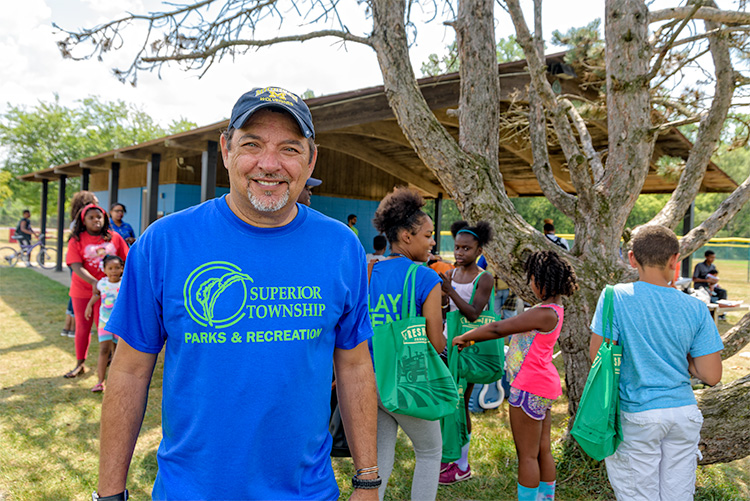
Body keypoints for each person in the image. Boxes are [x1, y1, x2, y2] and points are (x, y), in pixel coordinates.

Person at [96, 86, 379, 500]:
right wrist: (109, 494)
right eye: (252, 144)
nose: (270, 164)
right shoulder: (164, 243)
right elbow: (129, 371)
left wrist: (367, 480)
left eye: (289, 148)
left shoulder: (341, 246)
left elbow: (354, 365)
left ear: (311, 159)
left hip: (307, 491)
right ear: (227, 150)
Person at [590, 225, 723, 501]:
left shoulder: (614, 296)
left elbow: (598, 358)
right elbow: (712, 376)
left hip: (637, 414)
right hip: (683, 413)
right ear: (675, 260)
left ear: (631, 258)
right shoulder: (696, 307)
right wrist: (683, 359)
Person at [453, 250, 578, 501]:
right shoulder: (553, 309)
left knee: (528, 455)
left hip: (528, 386)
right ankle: (545, 498)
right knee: (542, 450)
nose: (530, 282)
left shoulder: (543, 312)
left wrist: (466, 337)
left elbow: (500, 327)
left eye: (532, 277)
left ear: (542, 281)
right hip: (541, 385)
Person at [368, 187, 445, 501]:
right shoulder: (426, 278)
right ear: (405, 235)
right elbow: (435, 340)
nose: (432, 241)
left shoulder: (370, 271)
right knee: (429, 451)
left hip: (371, 379)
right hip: (407, 381)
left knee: (378, 460)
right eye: (427, 235)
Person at [438, 220, 494, 485]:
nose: (459, 253)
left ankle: (462, 462)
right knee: (447, 402)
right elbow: (446, 311)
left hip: (469, 350)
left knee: (461, 403)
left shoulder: (484, 278)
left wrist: (449, 292)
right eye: (457, 248)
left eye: (466, 249)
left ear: (479, 250)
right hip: (448, 346)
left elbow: (473, 314)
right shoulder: (450, 274)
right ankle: (447, 456)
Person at [64, 204, 129, 379]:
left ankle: (113, 362)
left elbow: (127, 259)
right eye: (91, 217)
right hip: (83, 291)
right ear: (83, 221)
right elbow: (75, 265)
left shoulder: (114, 237)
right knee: (82, 327)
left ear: (105, 218)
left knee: (110, 328)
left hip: (109, 294)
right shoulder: (76, 239)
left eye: (99, 217)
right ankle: (80, 363)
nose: (96, 220)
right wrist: (95, 282)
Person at [60, 191, 100, 338]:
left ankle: (69, 326)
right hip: (80, 261)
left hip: (81, 260)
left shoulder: (77, 220)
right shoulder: (81, 222)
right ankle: (73, 326)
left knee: (75, 294)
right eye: (94, 201)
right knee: (77, 293)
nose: (96, 204)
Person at [84, 254, 124, 393]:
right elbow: (97, 295)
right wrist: (89, 306)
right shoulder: (102, 283)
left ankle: (116, 382)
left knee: (118, 352)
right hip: (104, 322)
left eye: (117, 268)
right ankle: (100, 382)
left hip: (120, 324)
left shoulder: (124, 283)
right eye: (110, 268)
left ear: (122, 269)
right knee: (103, 350)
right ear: (105, 270)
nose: (114, 271)